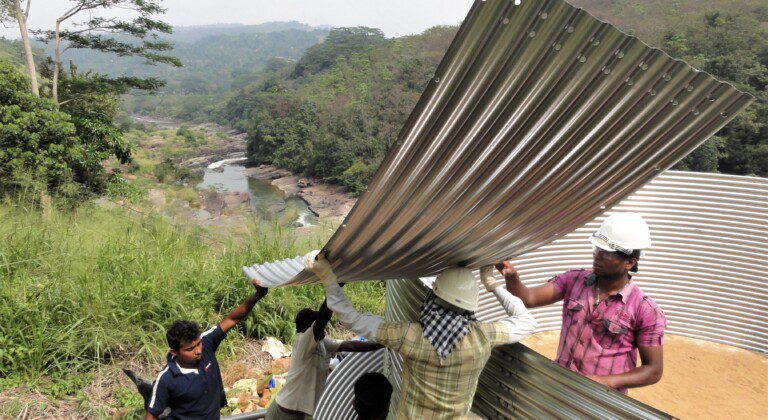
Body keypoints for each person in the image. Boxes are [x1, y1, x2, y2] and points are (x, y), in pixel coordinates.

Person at [306, 251, 538, 419]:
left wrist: (327, 277)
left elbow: (352, 318)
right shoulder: (483, 336)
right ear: (470, 306)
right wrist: (492, 285)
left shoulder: (411, 336)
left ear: (434, 297)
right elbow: (527, 321)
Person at [497, 212, 666, 394]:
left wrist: (604, 382)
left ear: (629, 262)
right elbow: (528, 298)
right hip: (560, 384)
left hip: (602, 399)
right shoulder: (573, 279)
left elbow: (653, 370)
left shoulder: (645, 310)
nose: (597, 256)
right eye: (597, 249)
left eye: (606, 253)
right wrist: (512, 276)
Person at [145, 280, 269, 419]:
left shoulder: (206, 343)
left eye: (198, 344)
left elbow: (232, 319)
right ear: (174, 352)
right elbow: (152, 415)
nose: (198, 350)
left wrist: (258, 295)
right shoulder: (167, 379)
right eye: (190, 349)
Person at [263, 297, 384, 420]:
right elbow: (322, 319)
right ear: (307, 327)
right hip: (284, 412)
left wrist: (380, 344)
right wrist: (333, 291)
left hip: (294, 413)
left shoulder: (322, 342)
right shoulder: (303, 340)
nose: (323, 328)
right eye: (315, 323)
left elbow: (350, 345)